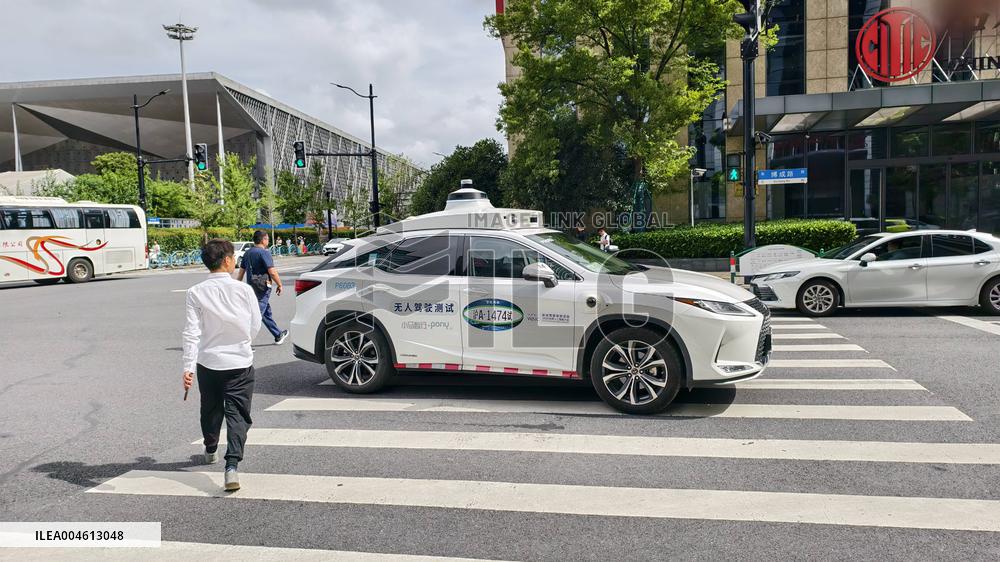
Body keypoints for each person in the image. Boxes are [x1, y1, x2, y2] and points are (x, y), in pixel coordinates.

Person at [182, 239, 261, 492]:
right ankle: (231, 467)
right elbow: (254, 326)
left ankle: (210, 447)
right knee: (238, 414)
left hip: (209, 363)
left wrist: (188, 368)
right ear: (227, 260)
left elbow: (191, 333)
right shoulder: (244, 291)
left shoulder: (195, 292)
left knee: (211, 409)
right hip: (239, 362)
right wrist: (243, 343)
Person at [238, 230, 288, 345]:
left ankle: (278, 334)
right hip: (263, 287)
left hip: (252, 287)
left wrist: (237, 286)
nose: (268, 241)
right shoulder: (264, 253)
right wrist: (280, 284)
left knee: (265, 312)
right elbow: (272, 272)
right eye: (267, 239)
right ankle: (243, 343)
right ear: (263, 240)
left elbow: (241, 272)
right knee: (257, 314)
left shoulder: (247, 253)